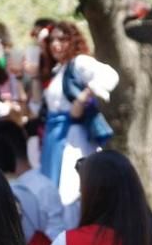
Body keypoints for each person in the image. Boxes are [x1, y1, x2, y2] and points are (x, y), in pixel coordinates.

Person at [39, 21, 119, 206]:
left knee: (71, 190)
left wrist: (83, 98)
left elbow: (109, 75)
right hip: (55, 137)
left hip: (74, 138)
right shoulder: (57, 70)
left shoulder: (80, 62)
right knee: (54, 191)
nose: (55, 44)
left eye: (62, 39)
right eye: (52, 40)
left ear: (73, 40)